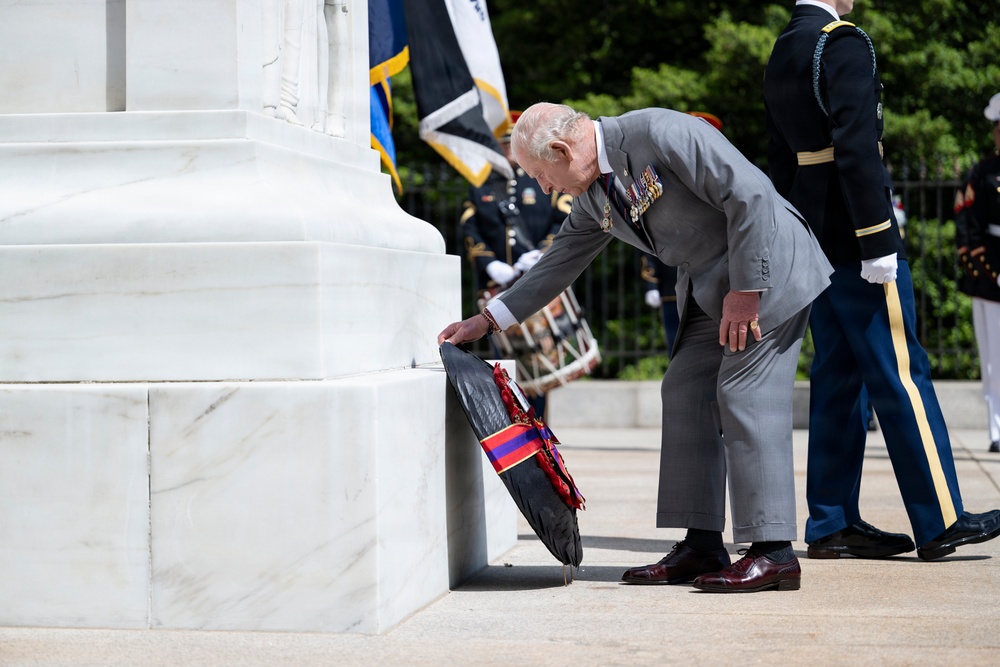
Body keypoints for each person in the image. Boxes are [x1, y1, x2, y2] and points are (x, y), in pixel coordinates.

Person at [439, 101, 835, 593]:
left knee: (745, 395)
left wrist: (747, 290)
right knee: (685, 389)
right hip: (714, 287)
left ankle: (773, 552)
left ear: (562, 150)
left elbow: (751, 194)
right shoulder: (591, 195)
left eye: (542, 174)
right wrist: (486, 320)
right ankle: (703, 543)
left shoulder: (662, 131)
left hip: (767, 268)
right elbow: (557, 263)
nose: (544, 188)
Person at [763, 0, 1000, 561]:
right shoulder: (841, 40)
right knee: (902, 374)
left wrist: (792, 236)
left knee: (838, 378)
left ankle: (831, 521)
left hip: (814, 237)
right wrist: (877, 239)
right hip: (857, 236)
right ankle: (941, 518)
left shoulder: (784, 46)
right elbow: (857, 145)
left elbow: (781, 161)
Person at [459, 111, 573, 417]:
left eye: (512, 144)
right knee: (505, 363)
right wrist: (489, 263)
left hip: (537, 284)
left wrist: (540, 253)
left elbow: (565, 221)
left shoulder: (542, 180)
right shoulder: (482, 184)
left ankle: (537, 425)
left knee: (538, 362)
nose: (508, 150)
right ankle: (516, 422)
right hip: (497, 287)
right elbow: (469, 229)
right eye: (503, 144)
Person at [955, 92, 1000, 454]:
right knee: (995, 358)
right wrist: (990, 273)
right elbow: (969, 229)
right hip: (993, 275)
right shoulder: (983, 173)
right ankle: (997, 427)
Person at [640, 254, 679, 356]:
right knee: (675, 342)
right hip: (670, 293)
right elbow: (648, 252)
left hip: (698, 289)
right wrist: (651, 285)